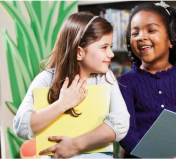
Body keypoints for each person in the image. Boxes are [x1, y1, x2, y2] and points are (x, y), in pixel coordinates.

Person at [13, 12, 130, 159]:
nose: (111, 54)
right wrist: (63, 104)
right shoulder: (46, 79)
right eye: (104, 47)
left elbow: (121, 123)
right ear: (79, 52)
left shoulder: (105, 78)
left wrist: (75, 145)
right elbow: (21, 127)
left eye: (110, 46)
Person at [118, 1, 176, 158]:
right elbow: (125, 132)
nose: (141, 37)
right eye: (135, 33)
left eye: (151, 30)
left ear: (171, 39)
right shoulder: (125, 83)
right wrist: (153, 154)